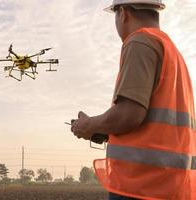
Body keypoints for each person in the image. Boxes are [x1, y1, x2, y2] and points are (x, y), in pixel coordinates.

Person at [70, 0, 196, 199]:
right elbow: (155, 127)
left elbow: (129, 114)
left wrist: (89, 125)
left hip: (141, 186)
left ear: (123, 13)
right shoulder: (172, 52)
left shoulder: (139, 41)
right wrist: (100, 129)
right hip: (170, 186)